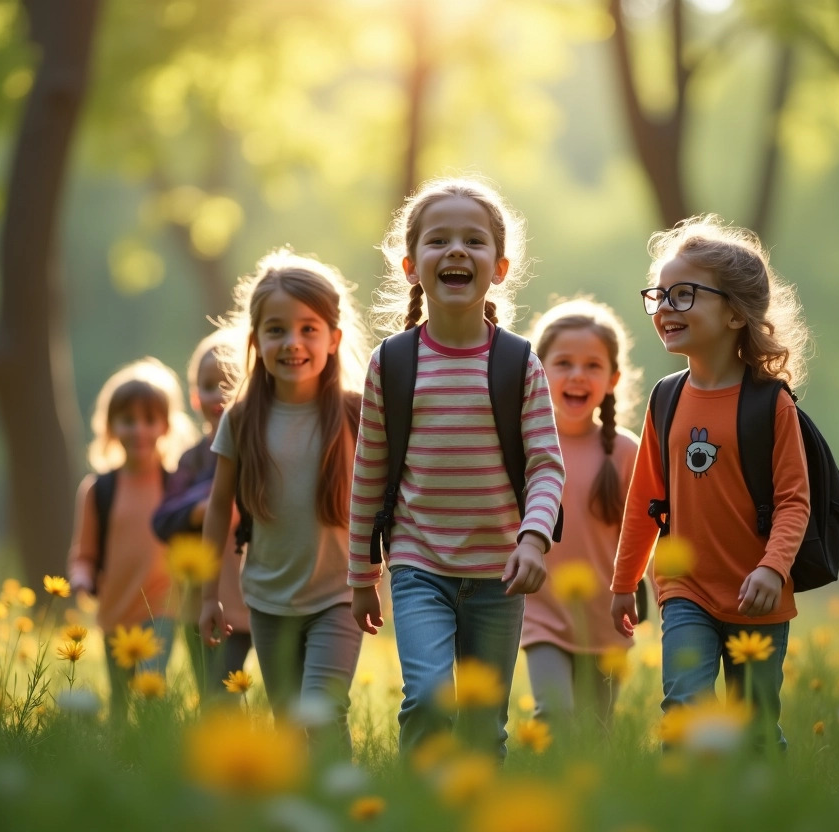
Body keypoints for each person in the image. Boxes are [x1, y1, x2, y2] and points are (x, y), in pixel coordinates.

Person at [347, 176, 565, 760]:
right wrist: (361, 573)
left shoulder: (518, 363)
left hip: (501, 571)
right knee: (427, 698)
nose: (456, 251)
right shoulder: (391, 363)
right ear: (411, 265)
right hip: (418, 564)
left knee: (483, 724)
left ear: (500, 266)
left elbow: (547, 465)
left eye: (474, 241)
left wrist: (534, 539)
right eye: (438, 241)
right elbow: (368, 472)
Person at [610, 215, 811, 749]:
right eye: (659, 295)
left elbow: (795, 501)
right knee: (684, 707)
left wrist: (772, 569)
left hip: (758, 595)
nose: (665, 308)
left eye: (684, 294)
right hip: (685, 591)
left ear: (734, 313)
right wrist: (624, 582)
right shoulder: (665, 398)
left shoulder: (771, 404)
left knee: (755, 727)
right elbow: (644, 502)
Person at [199, 249, 370, 754]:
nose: (292, 343)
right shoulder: (242, 418)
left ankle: (342, 804)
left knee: (321, 710)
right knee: (290, 723)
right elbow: (217, 508)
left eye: (308, 329)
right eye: (276, 330)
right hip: (267, 601)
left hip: (339, 597)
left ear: (333, 339)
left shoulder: (357, 415)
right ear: (256, 341)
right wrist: (210, 595)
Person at [521, 298, 640, 731]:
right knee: (553, 716)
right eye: (563, 362)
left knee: (595, 731)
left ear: (613, 378)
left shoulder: (627, 452)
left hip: (607, 618)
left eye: (592, 365)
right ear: (538, 371)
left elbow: (648, 532)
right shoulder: (521, 447)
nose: (576, 374)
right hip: (540, 612)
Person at [67, 357, 198, 719]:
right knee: (121, 698)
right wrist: (81, 576)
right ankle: (124, 754)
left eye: (149, 420)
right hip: (114, 612)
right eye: (128, 420)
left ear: (165, 427)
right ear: (111, 427)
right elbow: (85, 552)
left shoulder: (175, 487)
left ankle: (153, 748)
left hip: (162, 608)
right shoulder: (98, 490)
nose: (139, 429)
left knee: (150, 684)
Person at [152, 330, 252, 698]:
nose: (221, 394)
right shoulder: (192, 460)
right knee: (215, 696)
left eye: (231, 382)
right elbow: (162, 520)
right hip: (202, 603)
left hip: (259, 597)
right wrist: (202, 508)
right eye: (210, 385)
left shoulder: (260, 450)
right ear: (195, 397)